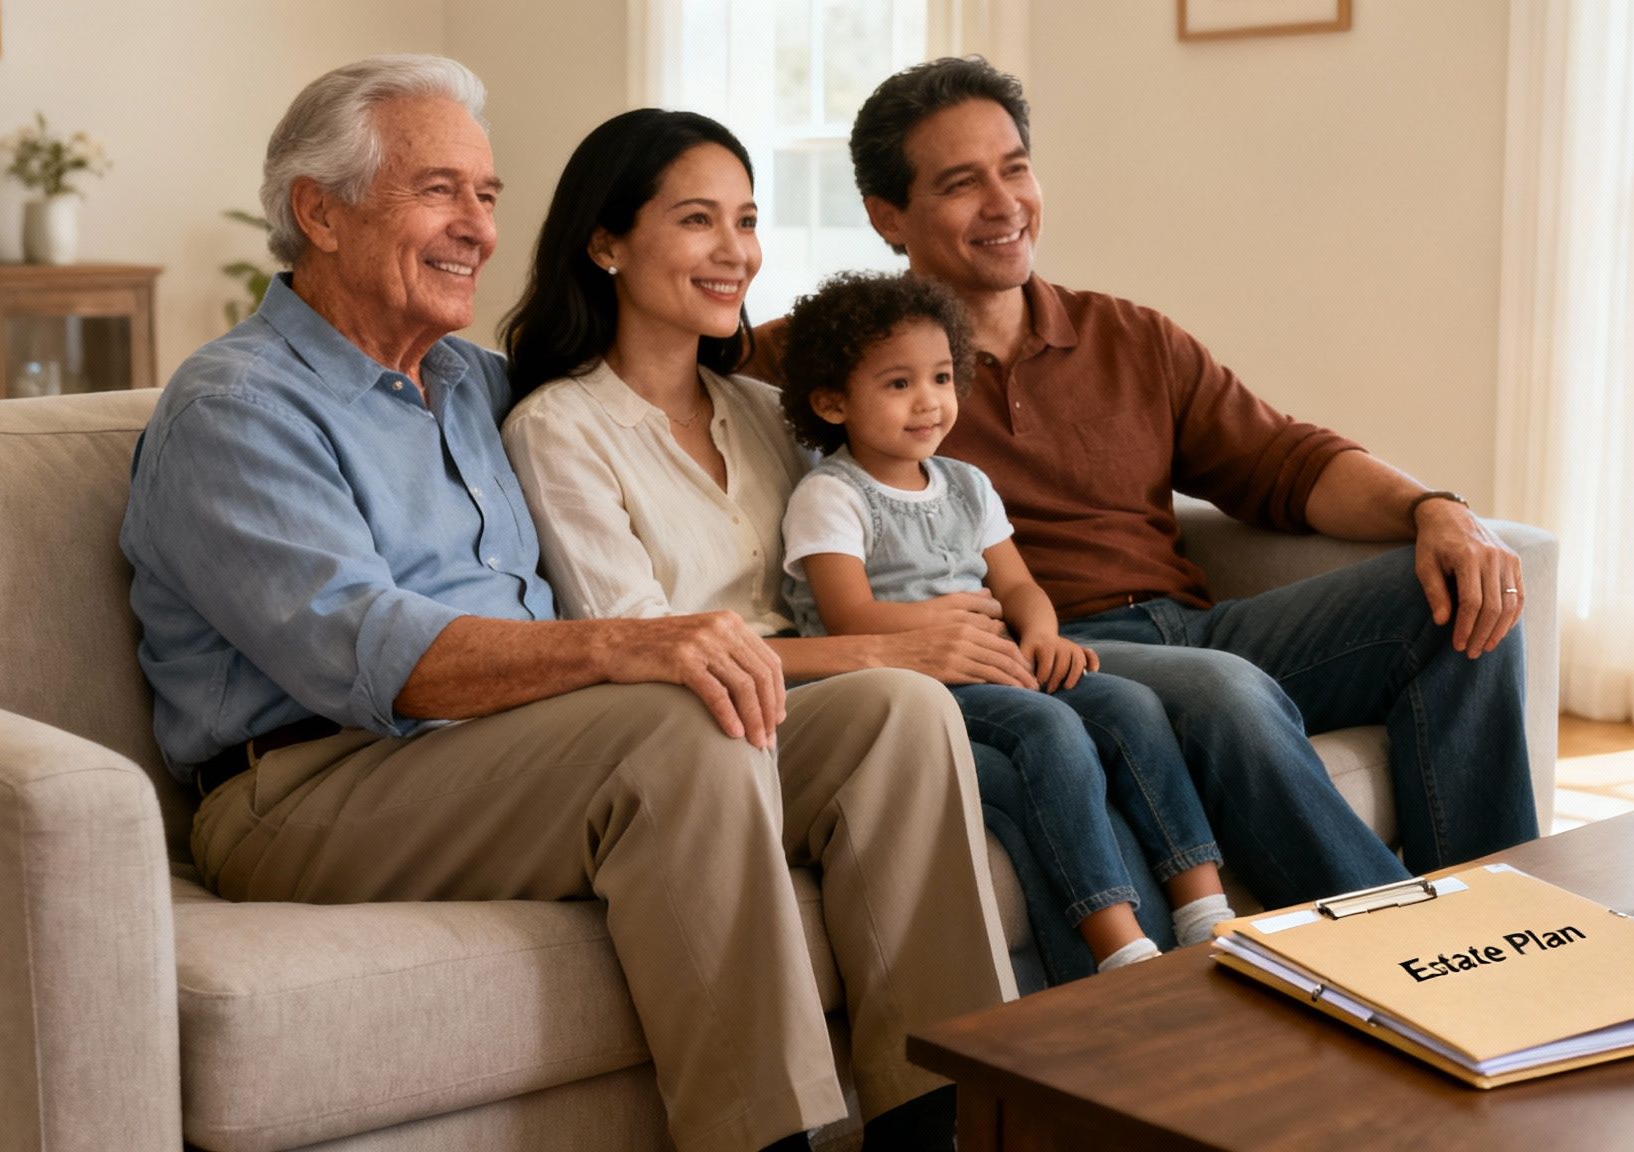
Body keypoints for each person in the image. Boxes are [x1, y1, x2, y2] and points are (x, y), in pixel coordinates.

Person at [118, 57, 1011, 1152]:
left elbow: (647, 384)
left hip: (503, 752)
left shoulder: (467, 382)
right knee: (678, 727)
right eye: (438, 191)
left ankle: (947, 1128)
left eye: (487, 198)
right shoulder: (236, 406)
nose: (477, 229)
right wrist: (626, 645)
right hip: (308, 784)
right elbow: (372, 652)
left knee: (895, 714)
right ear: (321, 212)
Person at [742, 56, 1540, 916]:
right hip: (1058, 653)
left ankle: (1509, 918)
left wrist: (1436, 511)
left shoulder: (1128, 337)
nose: (1005, 203)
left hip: (1195, 625)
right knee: (1227, 692)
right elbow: (672, 362)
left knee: (1460, 592)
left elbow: (1287, 463)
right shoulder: (833, 360)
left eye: (1015, 168)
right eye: (963, 183)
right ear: (888, 216)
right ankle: (1409, 946)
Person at [495, 109, 1191, 991]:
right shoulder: (558, 427)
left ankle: (1162, 1027)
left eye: (746, 221)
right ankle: (1100, 1048)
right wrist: (893, 647)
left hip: (858, 685)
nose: (735, 251)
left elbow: (874, 511)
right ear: (606, 243)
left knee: (1088, 740)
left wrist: (951, 614)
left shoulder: (759, 406)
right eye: (697, 219)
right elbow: (645, 646)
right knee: (1022, 764)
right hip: (716, 723)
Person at [774, 270, 1235, 971]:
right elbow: (848, 617)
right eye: (898, 385)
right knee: (1049, 729)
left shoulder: (967, 484)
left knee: (1134, 707)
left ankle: (1206, 910)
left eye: (940, 378)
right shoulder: (831, 495)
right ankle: (1119, 943)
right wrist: (937, 627)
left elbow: (1017, 584)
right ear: (833, 403)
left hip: (995, 660)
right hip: (913, 683)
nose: (927, 402)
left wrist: (1044, 633)